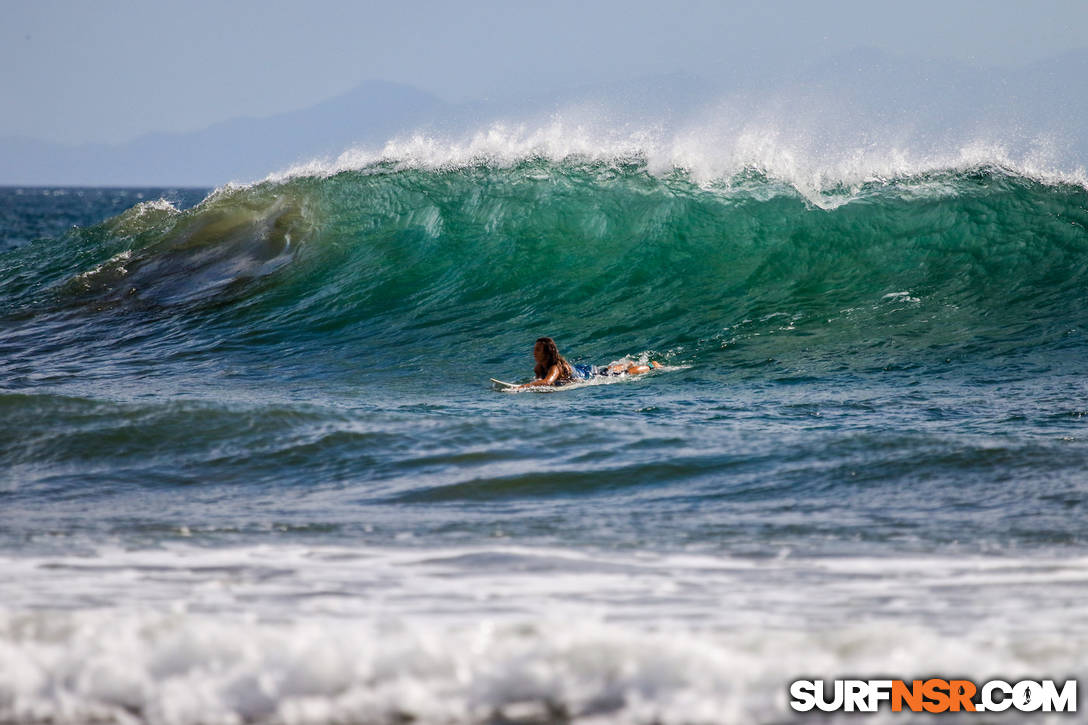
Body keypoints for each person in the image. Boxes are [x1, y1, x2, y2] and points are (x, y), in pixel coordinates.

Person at [516, 337, 660, 389]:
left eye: (538, 350)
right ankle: (628, 363)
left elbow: (547, 382)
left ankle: (651, 365)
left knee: (621, 374)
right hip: (580, 370)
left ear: (547, 353)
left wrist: (523, 386)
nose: (534, 353)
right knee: (608, 369)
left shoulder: (555, 368)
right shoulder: (539, 367)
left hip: (587, 374)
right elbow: (541, 383)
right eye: (534, 350)